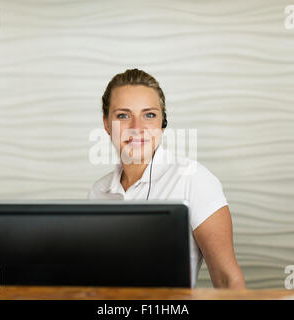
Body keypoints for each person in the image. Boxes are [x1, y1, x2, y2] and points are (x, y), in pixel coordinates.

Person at [88, 68, 245, 289]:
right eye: (123, 115)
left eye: (149, 115)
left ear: (163, 123)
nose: (137, 128)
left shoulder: (193, 179)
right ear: (106, 123)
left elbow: (227, 279)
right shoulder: (98, 191)